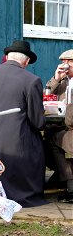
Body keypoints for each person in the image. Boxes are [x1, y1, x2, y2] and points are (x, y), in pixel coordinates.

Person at [0, 40, 48, 208]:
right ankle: (24, 192)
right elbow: (37, 122)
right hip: (16, 142)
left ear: (7, 57)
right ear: (27, 61)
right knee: (38, 144)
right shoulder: (32, 80)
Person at [45, 49, 73, 203]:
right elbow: (46, 94)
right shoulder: (62, 80)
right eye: (63, 61)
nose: (65, 65)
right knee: (47, 138)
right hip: (62, 125)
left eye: (69, 62)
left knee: (55, 141)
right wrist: (56, 78)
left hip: (70, 126)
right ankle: (61, 175)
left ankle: (69, 184)